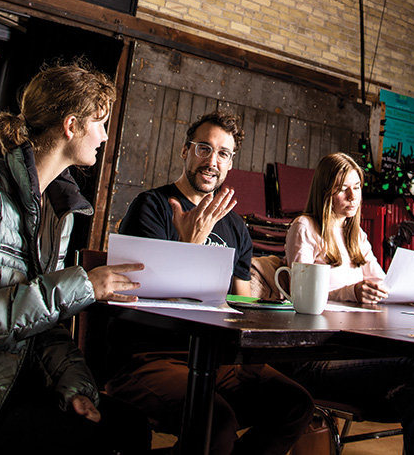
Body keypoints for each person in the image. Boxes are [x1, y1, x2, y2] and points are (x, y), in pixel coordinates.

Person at [0, 62, 152, 455]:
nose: (103, 136)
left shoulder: (58, 209)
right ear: (71, 126)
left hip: (25, 382)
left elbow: (43, 323)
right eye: (99, 123)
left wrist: (75, 387)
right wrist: (83, 284)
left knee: (131, 428)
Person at [104, 110, 314, 455]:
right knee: (215, 422)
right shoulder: (153, 207)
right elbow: (146, 300)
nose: (211, 160)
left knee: (295, 405)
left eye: (223, 153)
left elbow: (240, 304)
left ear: (230, 164)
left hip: (216, 359)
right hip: (149, 358)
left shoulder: (235, 227)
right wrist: (192, 246)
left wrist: (263, 330)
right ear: (185, 151)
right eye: (204, 148)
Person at [283, 152, 414, 455]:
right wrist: (352, 291)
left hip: (355, 351)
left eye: (357, 187)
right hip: (316, 358)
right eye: (342, 188)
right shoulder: (305, 227)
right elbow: (302, 296)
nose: (353, 196)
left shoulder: (356, 235)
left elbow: (384, 287)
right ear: (325, 191)